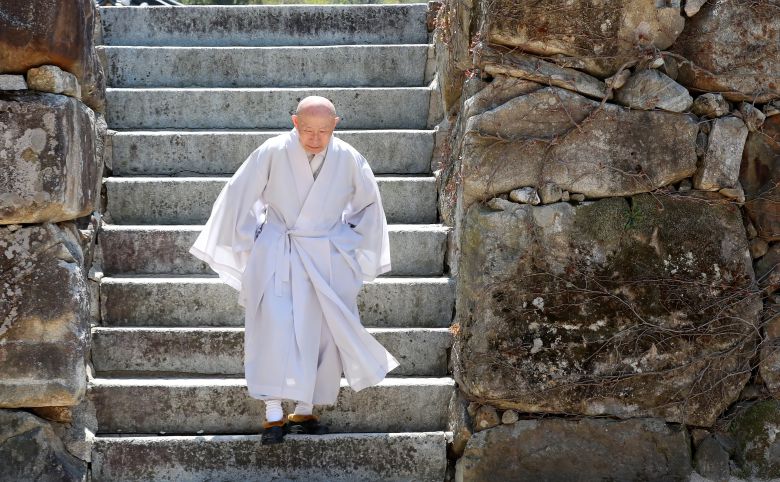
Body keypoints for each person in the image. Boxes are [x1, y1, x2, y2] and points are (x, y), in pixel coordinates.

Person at [188, 96, 400, 444]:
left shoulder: (348, 158)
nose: (315, 138)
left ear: (336, 125)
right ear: (294, 122)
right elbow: (238, 197)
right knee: (273, 324)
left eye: (323, 131)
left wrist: (346, 241)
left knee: (322, 332)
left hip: (327, 255)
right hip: (279, 250)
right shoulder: (271, 151)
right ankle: (273, 411)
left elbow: (369, 208)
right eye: (308, 130)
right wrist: (253, 240)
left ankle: (304, 407)